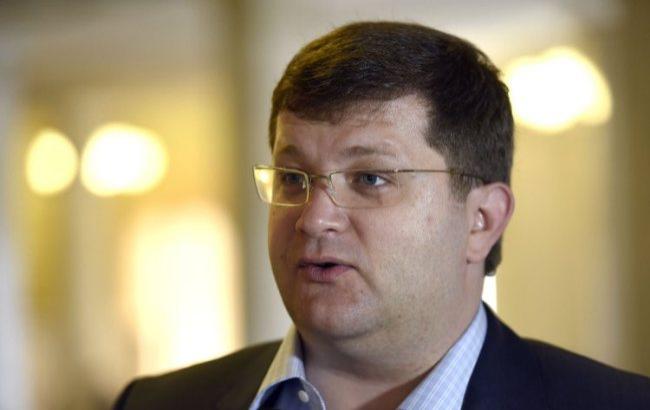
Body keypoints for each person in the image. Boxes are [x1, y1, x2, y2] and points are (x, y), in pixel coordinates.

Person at [114, 21, 650, 410]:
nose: (313, 218)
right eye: (293, 179)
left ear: (481, 220)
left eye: (370, 178)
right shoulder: (156, 403)